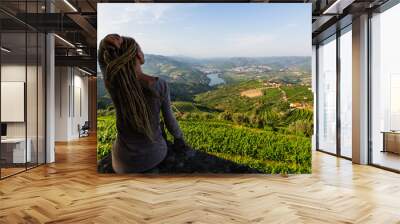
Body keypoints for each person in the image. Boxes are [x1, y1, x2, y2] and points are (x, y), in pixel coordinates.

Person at [98, 34, 186, 173]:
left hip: (120, 161)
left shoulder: (114, 85)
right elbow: (170, 121)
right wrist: (180, 138)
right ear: (138, 55)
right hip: (154, 156)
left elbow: (103, 63)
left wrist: (104, 43)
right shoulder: (159, 85)